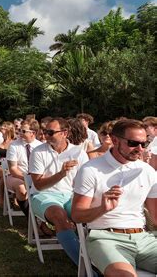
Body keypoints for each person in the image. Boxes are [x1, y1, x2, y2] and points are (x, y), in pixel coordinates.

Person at [72, 119, 156, 276]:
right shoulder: (91, 169)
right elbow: (77, 215)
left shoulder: (146, 171)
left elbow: (156, 215)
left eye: (143, 144)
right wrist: (102, 208)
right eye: (133, 143)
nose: (140, 149)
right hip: (105, 238)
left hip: (144, 238)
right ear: (115, 140)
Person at [28, 117, 89, 266]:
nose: (45, 135)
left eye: (50, 132)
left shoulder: (78, 152)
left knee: (91, 215)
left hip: (70, 195)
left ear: (64, 133)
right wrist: (61, 174)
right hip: (43, 196)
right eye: (44, 132)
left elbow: (87, 182)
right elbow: (39, 185)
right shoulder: (38, 152)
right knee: (59, 215)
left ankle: (96, 256)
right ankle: (85, 267)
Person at [6, 119, 42, 217]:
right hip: (16, 177)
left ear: (33, 133)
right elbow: (13, 169)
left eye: (23, 131)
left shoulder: (41, 146)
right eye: (20, 130)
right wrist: (27, 179)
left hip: (36, 177)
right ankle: (34, 222)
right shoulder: (14, 145)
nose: (20, 133)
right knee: (22, 189)